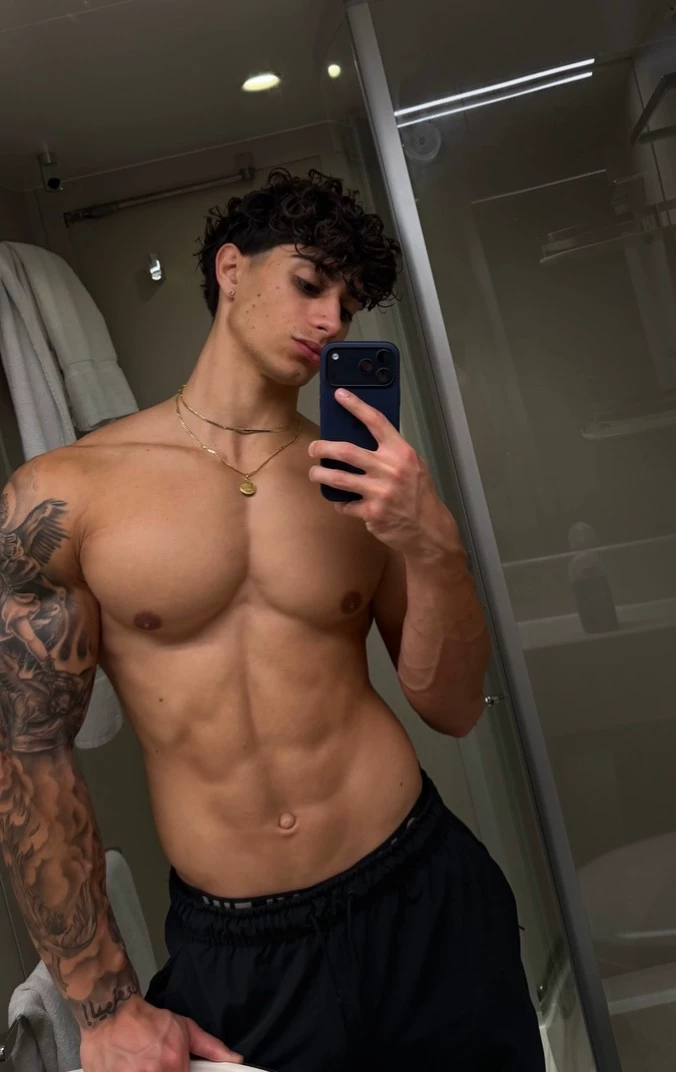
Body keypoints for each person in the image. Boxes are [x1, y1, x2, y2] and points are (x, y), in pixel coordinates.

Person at [0, 169, 545, 1072]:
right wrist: (104, 1006)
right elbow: (30, 758)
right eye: (310, 282)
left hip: (423, 891)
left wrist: (431, 540)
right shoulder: (68, 491)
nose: (330, 320)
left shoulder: (364, 481)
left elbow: (450, 706)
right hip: (242, 951)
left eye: (349, 304)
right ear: (231, 270)